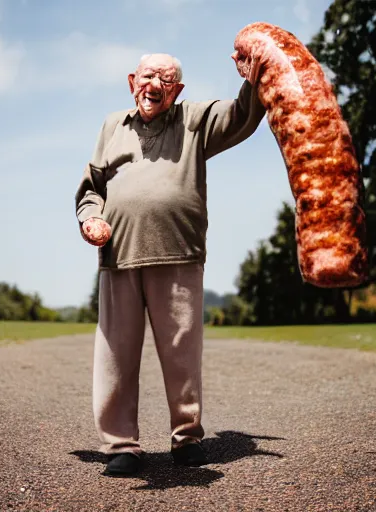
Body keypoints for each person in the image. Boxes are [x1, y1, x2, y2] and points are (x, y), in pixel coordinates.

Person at [75, 51, 265, 477]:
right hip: (119, 256)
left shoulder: (194, 121)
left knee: (182, 352)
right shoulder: (111, 126)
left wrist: (254, 80)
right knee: (115, 354)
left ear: (177, 90)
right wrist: (90, 218)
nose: (154, 84)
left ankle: (186, 438)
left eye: (165, 79)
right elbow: (92, 188)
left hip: (178, 252)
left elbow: (240, 116)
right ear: (132, 81)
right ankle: (121, 446)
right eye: (147, 76)